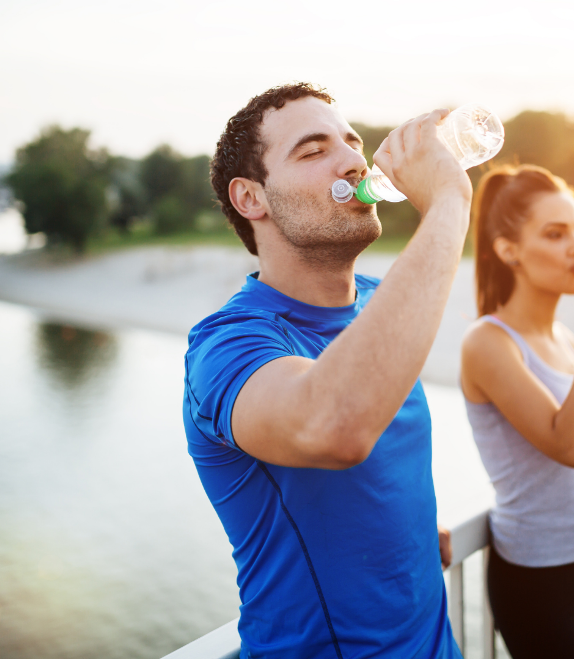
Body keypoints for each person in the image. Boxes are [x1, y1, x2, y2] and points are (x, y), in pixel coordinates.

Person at [183, 83, 471, 658]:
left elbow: (379, 475)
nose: (353, 161)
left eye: (352, 142)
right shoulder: (225, 347)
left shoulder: (378, 302)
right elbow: (335, 425)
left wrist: (409, 534)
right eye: (313, 151)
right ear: (251, 199)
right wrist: (448, 201)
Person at [460, 164, 574, 659]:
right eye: (555, 234)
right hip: (539, 577)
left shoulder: (562, 336)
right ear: (508, 249)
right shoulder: (488, 344)